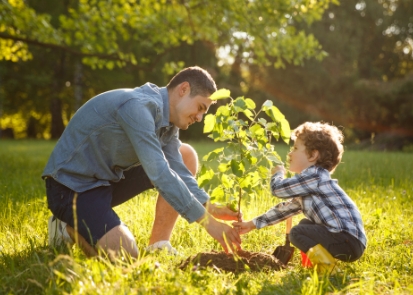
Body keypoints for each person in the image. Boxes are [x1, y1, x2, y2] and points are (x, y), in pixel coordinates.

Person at [43, 66, 241, 259]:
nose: (199, 117)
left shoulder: (169, 123)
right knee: (126, 256)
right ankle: (66, 228)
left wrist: (209, 206)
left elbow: (178, 169)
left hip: (105, 181)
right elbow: (160, 173)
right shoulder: (138, 107)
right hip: (71, 188)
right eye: (200, 108)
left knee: (185, 155)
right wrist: (209, 224)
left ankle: (159, 245)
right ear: (183, 89)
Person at [233, 122, 366, 274]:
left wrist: (278, 174)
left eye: (295, 148)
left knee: (297, 232)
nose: (290, 153)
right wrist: (252, 224)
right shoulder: (310, 184)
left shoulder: (314, 175)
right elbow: (284, 210)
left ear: (313, 155)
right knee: (305, 224)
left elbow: (278, 189)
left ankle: (328, 269)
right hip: (349, 241)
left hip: (346, 239)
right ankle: (314, 266)